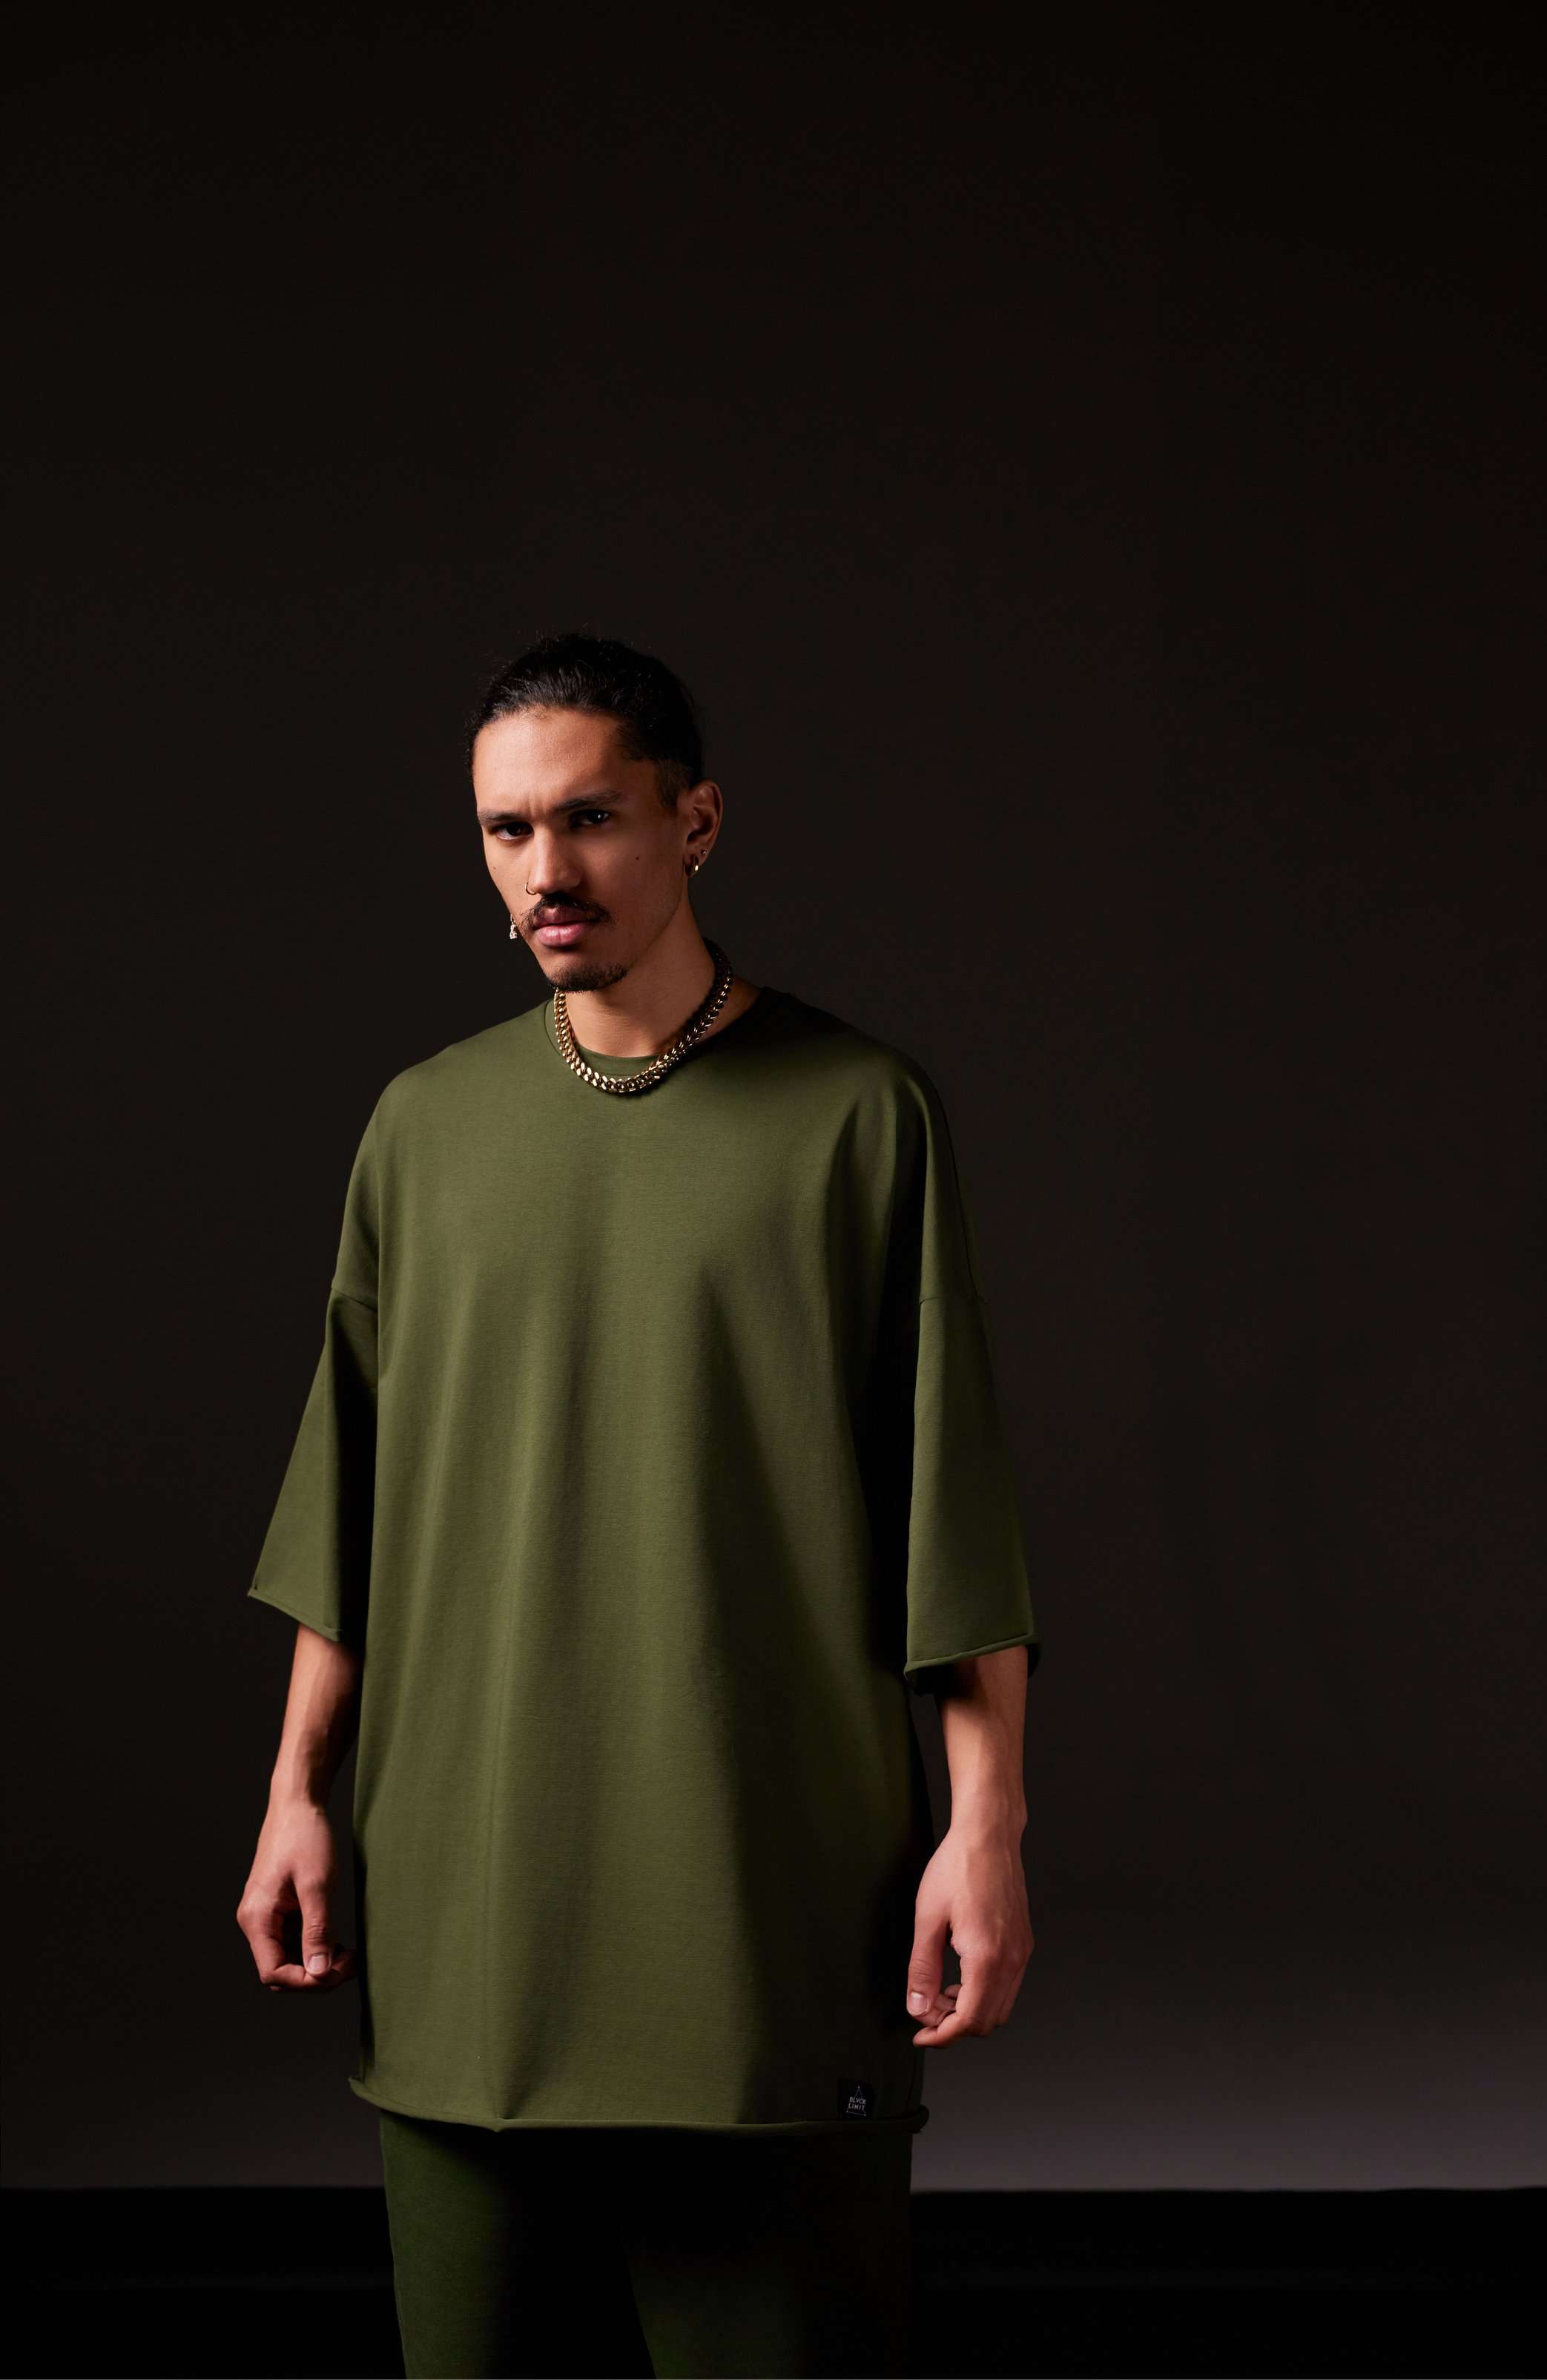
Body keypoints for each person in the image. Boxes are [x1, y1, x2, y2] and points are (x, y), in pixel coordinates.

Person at [236, 630, 1040, 2379]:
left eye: (589, 818)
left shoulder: (858, 1117)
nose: (546, 868)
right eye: (505, 829)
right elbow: (347, 1506)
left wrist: (982, 1828)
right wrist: (296, 1792)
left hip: (766, 1916)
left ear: (696, 823)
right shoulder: (423, 1129)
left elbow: (951, 1522)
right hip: (467, 1917)